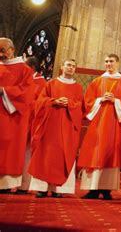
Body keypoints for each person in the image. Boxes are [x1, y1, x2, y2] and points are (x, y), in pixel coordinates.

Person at [77, 53, 121, 200]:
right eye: (106, 61)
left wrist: (116, 101)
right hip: (97, 124)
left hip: (113, 123)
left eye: (111, 61)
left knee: (110, 153)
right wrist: (100, 100)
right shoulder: (97, 81)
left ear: (118, 63)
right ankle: (92, 189)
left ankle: (107, 189)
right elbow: (87, 102)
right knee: (95, 152)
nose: (108, 64)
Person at [28, 59, 84, 198]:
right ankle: (41, 188)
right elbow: (39, 102)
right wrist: (53, 101)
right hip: (50, 125)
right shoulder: (51, 83)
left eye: (73, 66)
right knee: (45, 155)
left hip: (67, 127)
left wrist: (70, 103)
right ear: (62, 67)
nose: (71, 68)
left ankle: (58, 189)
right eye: (68, 65)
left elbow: (81, 107)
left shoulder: (77, 87)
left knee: (62, 155)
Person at [0, 38, 35, 193]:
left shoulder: (24, 69)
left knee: (8, 149)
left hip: (12, 116)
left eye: (3, 50)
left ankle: (5, 185)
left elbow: (27, 93)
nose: (1, 54)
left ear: (12, 49)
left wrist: (4, 91)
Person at [14, 57, 47, 194]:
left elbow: (41, 102)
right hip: (17, 119)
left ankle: (24, 185)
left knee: (26, 154)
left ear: (32, 68)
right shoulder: (22, 79)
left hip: (31, 121)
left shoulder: (41, 82)